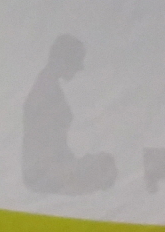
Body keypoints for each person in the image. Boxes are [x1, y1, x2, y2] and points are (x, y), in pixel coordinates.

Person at [21, 35, 117, 194]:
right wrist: (68, 170)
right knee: (104, 166)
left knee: (104, 165)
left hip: (50, 169)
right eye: (76, 62)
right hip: (45, 172)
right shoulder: (46, 91)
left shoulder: (48, 87)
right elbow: (43, 140)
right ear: (64, 61)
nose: (79, 69)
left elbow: (51, 140)